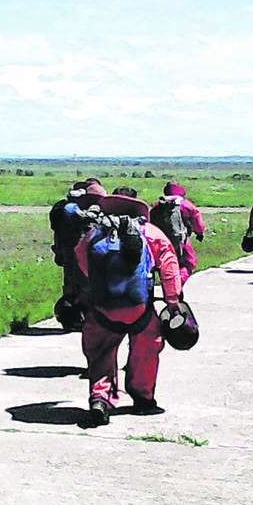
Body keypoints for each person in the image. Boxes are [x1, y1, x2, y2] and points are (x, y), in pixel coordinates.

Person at [73, 193, 183, 426]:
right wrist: (173, 302)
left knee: (100, 351)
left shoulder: (96, 233)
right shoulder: (151, 233)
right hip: (140, 308)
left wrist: (102, 286)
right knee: (146, 351)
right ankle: (143, 398)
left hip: (102, 308)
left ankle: (100, 398)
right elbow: (170, 268)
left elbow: (82, 260)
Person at [48, 178, 107, 329]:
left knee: (70, 284)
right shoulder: (88, 212)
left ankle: (71, 315)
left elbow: (58, 232)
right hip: (88, 254)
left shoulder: (66, 210)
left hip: (69, 251)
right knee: (88, 286)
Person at [150, 181, 206, 284]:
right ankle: (177, 281)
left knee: (160, 264)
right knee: (189, 263)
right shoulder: (185, 204)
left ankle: (166, 282)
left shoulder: (159, 204)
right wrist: (200, 233)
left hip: (160, 241)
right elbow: (197, 220)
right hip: (181, 241)